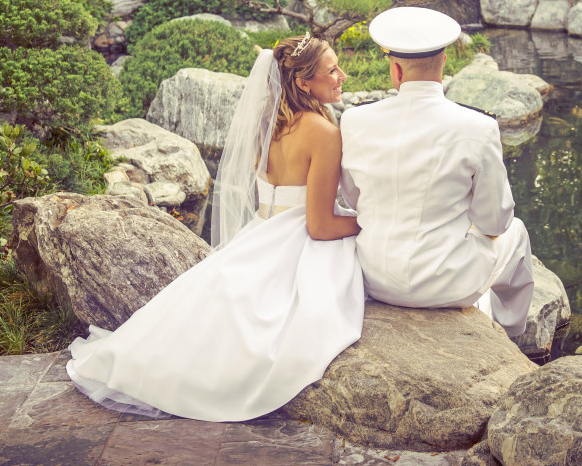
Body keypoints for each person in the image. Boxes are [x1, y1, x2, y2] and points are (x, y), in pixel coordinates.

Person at [66, 33, 364, 422]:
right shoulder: (324, 133)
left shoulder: (266, 122)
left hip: (261, 229)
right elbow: (321, 225)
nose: (342, 75)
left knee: (208, 307)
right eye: (332, 70)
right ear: (303, 82)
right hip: (294, 239)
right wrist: (367, 222)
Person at [339, 7, 535, 338]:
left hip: (374, 277)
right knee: (515, 232)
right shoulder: (478, 126)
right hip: (444, 284)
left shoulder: (354, 121)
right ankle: (509, 335)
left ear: (396, 69)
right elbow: (494, 222)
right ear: (443, 64)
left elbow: (354, 200)